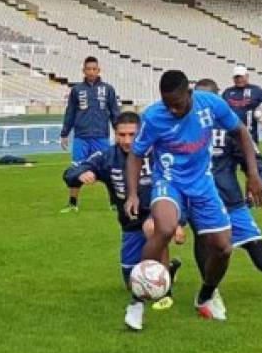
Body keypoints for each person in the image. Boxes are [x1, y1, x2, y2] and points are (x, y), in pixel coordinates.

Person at [126, 70, 262, 321]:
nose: (173, 111)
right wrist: (133, 194)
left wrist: (253, 174)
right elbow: (136, 154)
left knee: (223, 247)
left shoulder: (211, 103)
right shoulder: (153, 116)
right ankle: (137, 303)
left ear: (189, 94)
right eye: (167, 105)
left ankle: (206, 296)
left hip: (203, 184)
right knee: (165, 228)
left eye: (177, 104)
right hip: (169, 182)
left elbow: (241, 132)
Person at [62, 112, 182, 331]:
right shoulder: (106, 157)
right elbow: (70, 172)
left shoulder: (157, 154)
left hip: (155, 215)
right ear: (115, 134)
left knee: (153, 228)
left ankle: (165, 292)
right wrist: (81, 174)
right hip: (129, 225)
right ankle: (169, 271)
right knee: (132, 283)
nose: (127, 141)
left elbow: (181, 186)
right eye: (122, 135)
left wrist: (179, 222)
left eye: (132, 135)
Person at [194, 79, 262, 296]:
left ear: (218, 100)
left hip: (231, 202)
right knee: (204, 243)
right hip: (202, 201)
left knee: (261, 259)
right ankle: (210, 291)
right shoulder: (185, 128)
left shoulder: (232, 129)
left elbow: (255, 163)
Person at [59, 56, 120, 213]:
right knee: (77, 170)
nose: (91, 72)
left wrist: (119, 132)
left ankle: (114, 201)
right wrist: (65, 133)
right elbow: (70, 112)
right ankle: (73, 203)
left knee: (108, 170)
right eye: (88, 69)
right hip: (81, 137)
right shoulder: (77, 90)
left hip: (101, 137)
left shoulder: (108, 89)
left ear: (99, 70)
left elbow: (115, 112)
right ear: (83, 71)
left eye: (94, 69)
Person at [222, 65, 262, 143]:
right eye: (237, 77)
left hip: (250, 136)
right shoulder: (227, 92)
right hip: (230, 136)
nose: (239, 79)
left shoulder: (256, 90)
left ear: (247, 76)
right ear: (233, 78)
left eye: (241, 76)